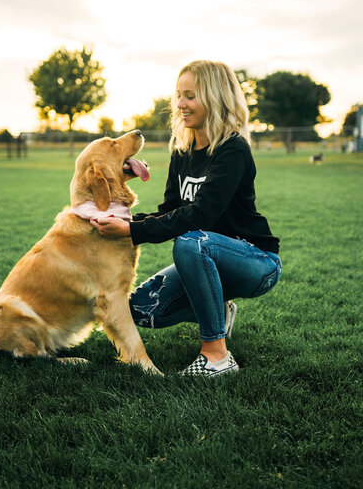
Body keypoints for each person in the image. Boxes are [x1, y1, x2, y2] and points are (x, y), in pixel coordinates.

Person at [92, 60, 281, 376]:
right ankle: (218, 311)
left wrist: (131, 230)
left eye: (190, 96)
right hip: (203, 252)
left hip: (254, 261)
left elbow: (200, 215)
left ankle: (217, 356)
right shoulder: (182, 151)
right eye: (179, 95)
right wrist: (122, 221)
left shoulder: (232, 149)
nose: (180, 104)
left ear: (214, 97)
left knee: (191, 242)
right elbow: (170, 211)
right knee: (138, 309)